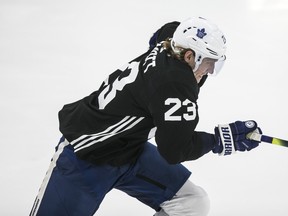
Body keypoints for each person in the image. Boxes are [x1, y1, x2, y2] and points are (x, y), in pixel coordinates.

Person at [30, 17, 262, 216]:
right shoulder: (173, 85)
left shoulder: (172, 40)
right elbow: (175, 149)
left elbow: (164, 33)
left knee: (192, 202)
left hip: (130, 150)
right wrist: (218, 140)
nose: (209, 71)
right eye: (209, 63)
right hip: (86, 156)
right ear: (190, 56)